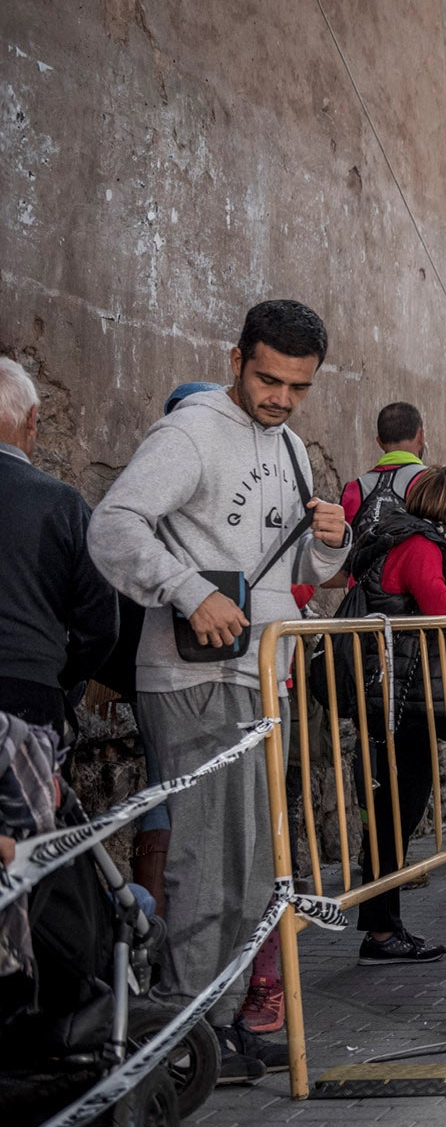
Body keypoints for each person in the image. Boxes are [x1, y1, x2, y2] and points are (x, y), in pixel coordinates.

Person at [88, 299, 352, 1084]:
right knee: (207, 864)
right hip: (196, 676)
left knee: (252, 866)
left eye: (297, 387)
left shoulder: (294, 446)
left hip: (262, 671)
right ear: (236, 356)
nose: (280, 397)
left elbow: (301, 571)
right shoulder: (192, 430)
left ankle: (222, 1022)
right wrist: (184, 591)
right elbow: (114, 524)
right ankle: (180, 1035)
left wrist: (331, 545)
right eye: (269, 378)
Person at [345, 465, 446, 965]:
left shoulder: (416, 537)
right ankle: (381, 931)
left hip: (413, 691)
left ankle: (382, 930)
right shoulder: (422, 543)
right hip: (405, 695)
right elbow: (436, 600)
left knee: (402, 807)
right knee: (399, 808)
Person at [0, 356, 120, 733]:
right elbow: (101, 625)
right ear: (33, 418)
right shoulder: (62, 504)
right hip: (27, 700)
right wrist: (60, 674)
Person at [339, 401, 429, 537]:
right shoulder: (433, 483)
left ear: (379, 442)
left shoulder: (354, 488)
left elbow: (344, 543)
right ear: (421, 436)